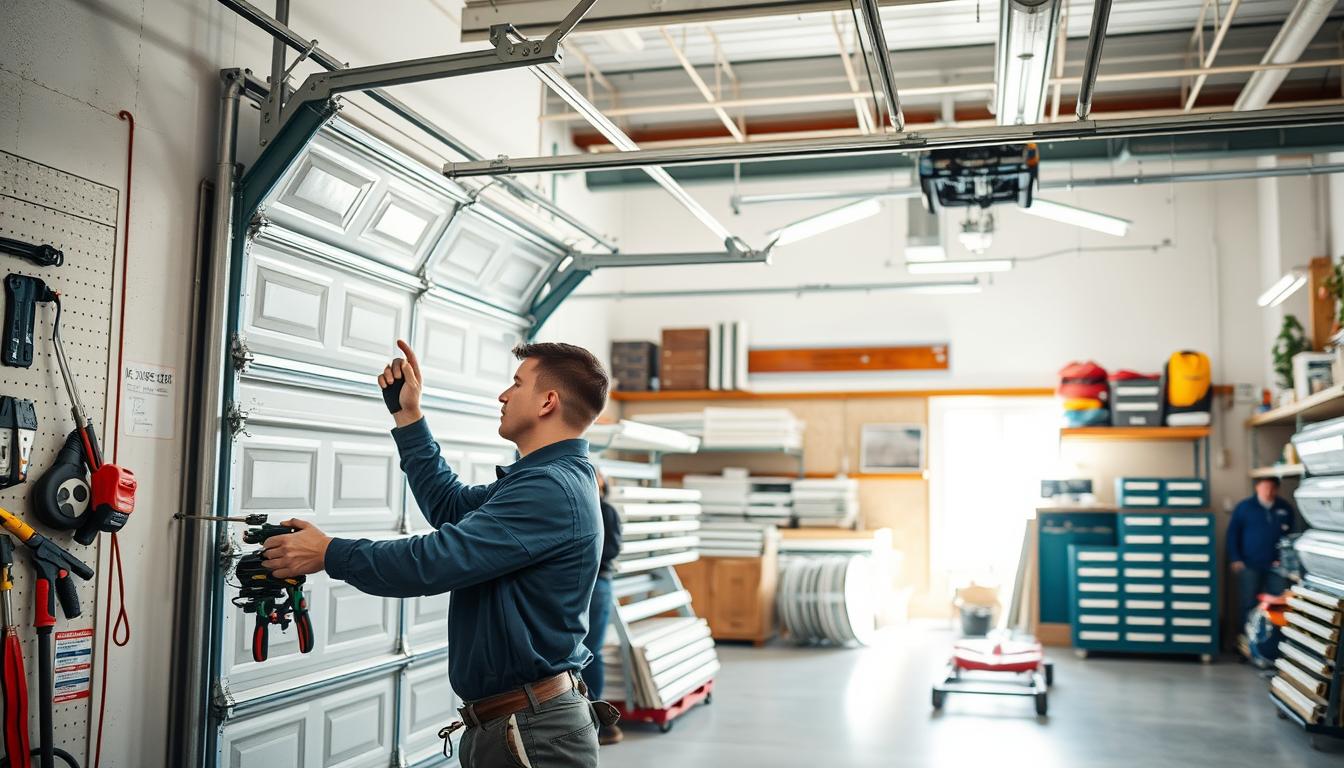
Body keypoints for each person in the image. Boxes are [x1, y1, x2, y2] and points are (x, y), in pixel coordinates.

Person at [261, 339, 616, 768]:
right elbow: (450, 505)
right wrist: (408, 416)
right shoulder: (542, 480)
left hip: (533, 731)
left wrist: (329, 553)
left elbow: (434, 561)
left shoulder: (550, 488)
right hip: (518, 722)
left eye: (517, 383)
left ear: (548, 402)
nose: (503, 395)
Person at [582, 472, 623, 745]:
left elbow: (611, 550)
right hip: (581, 585)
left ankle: (597, 722)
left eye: (597, 479)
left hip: (597, 586)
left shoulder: (606, 511)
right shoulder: (579, 506)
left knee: (591, 652)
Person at [1227, 476, 1295, 627]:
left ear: (1277, 489)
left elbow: (1291, 536)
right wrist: (1236, 558)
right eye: (1265, 487)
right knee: (1248, 602)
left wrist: (1287, 561)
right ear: (1257, 488)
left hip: (1277, 566)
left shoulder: (1285, 507)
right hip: (1249, 564)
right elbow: (1233, 534)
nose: (1268, 491)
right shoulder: (1244, 507)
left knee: (1279, 601)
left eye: (1272, 488)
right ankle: (1248, 634)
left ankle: (1275, 637)